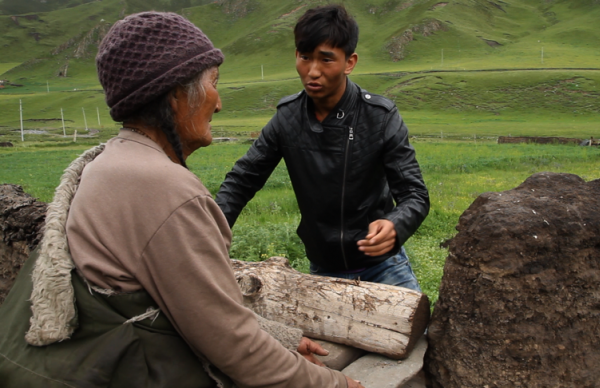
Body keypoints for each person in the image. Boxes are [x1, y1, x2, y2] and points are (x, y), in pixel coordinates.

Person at [0, 12, 363, 388]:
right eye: (213, 84)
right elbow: (233, 347)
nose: (218, 103)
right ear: (175, 95)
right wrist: (337, 385)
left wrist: (280, 338)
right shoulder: (164, 188)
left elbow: (190, 306)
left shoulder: (108, 162)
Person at [216, 5, 430, 291]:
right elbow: (242, 180)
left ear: (349, 62)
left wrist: (395, 224)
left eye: (326, 60)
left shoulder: (379, 117)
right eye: (305, 57)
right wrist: (211, 233)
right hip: (321, 270)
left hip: (383, 268)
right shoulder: (287, 118)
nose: (312, 71)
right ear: (296, 55)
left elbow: (414, 195)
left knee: (419, 335)